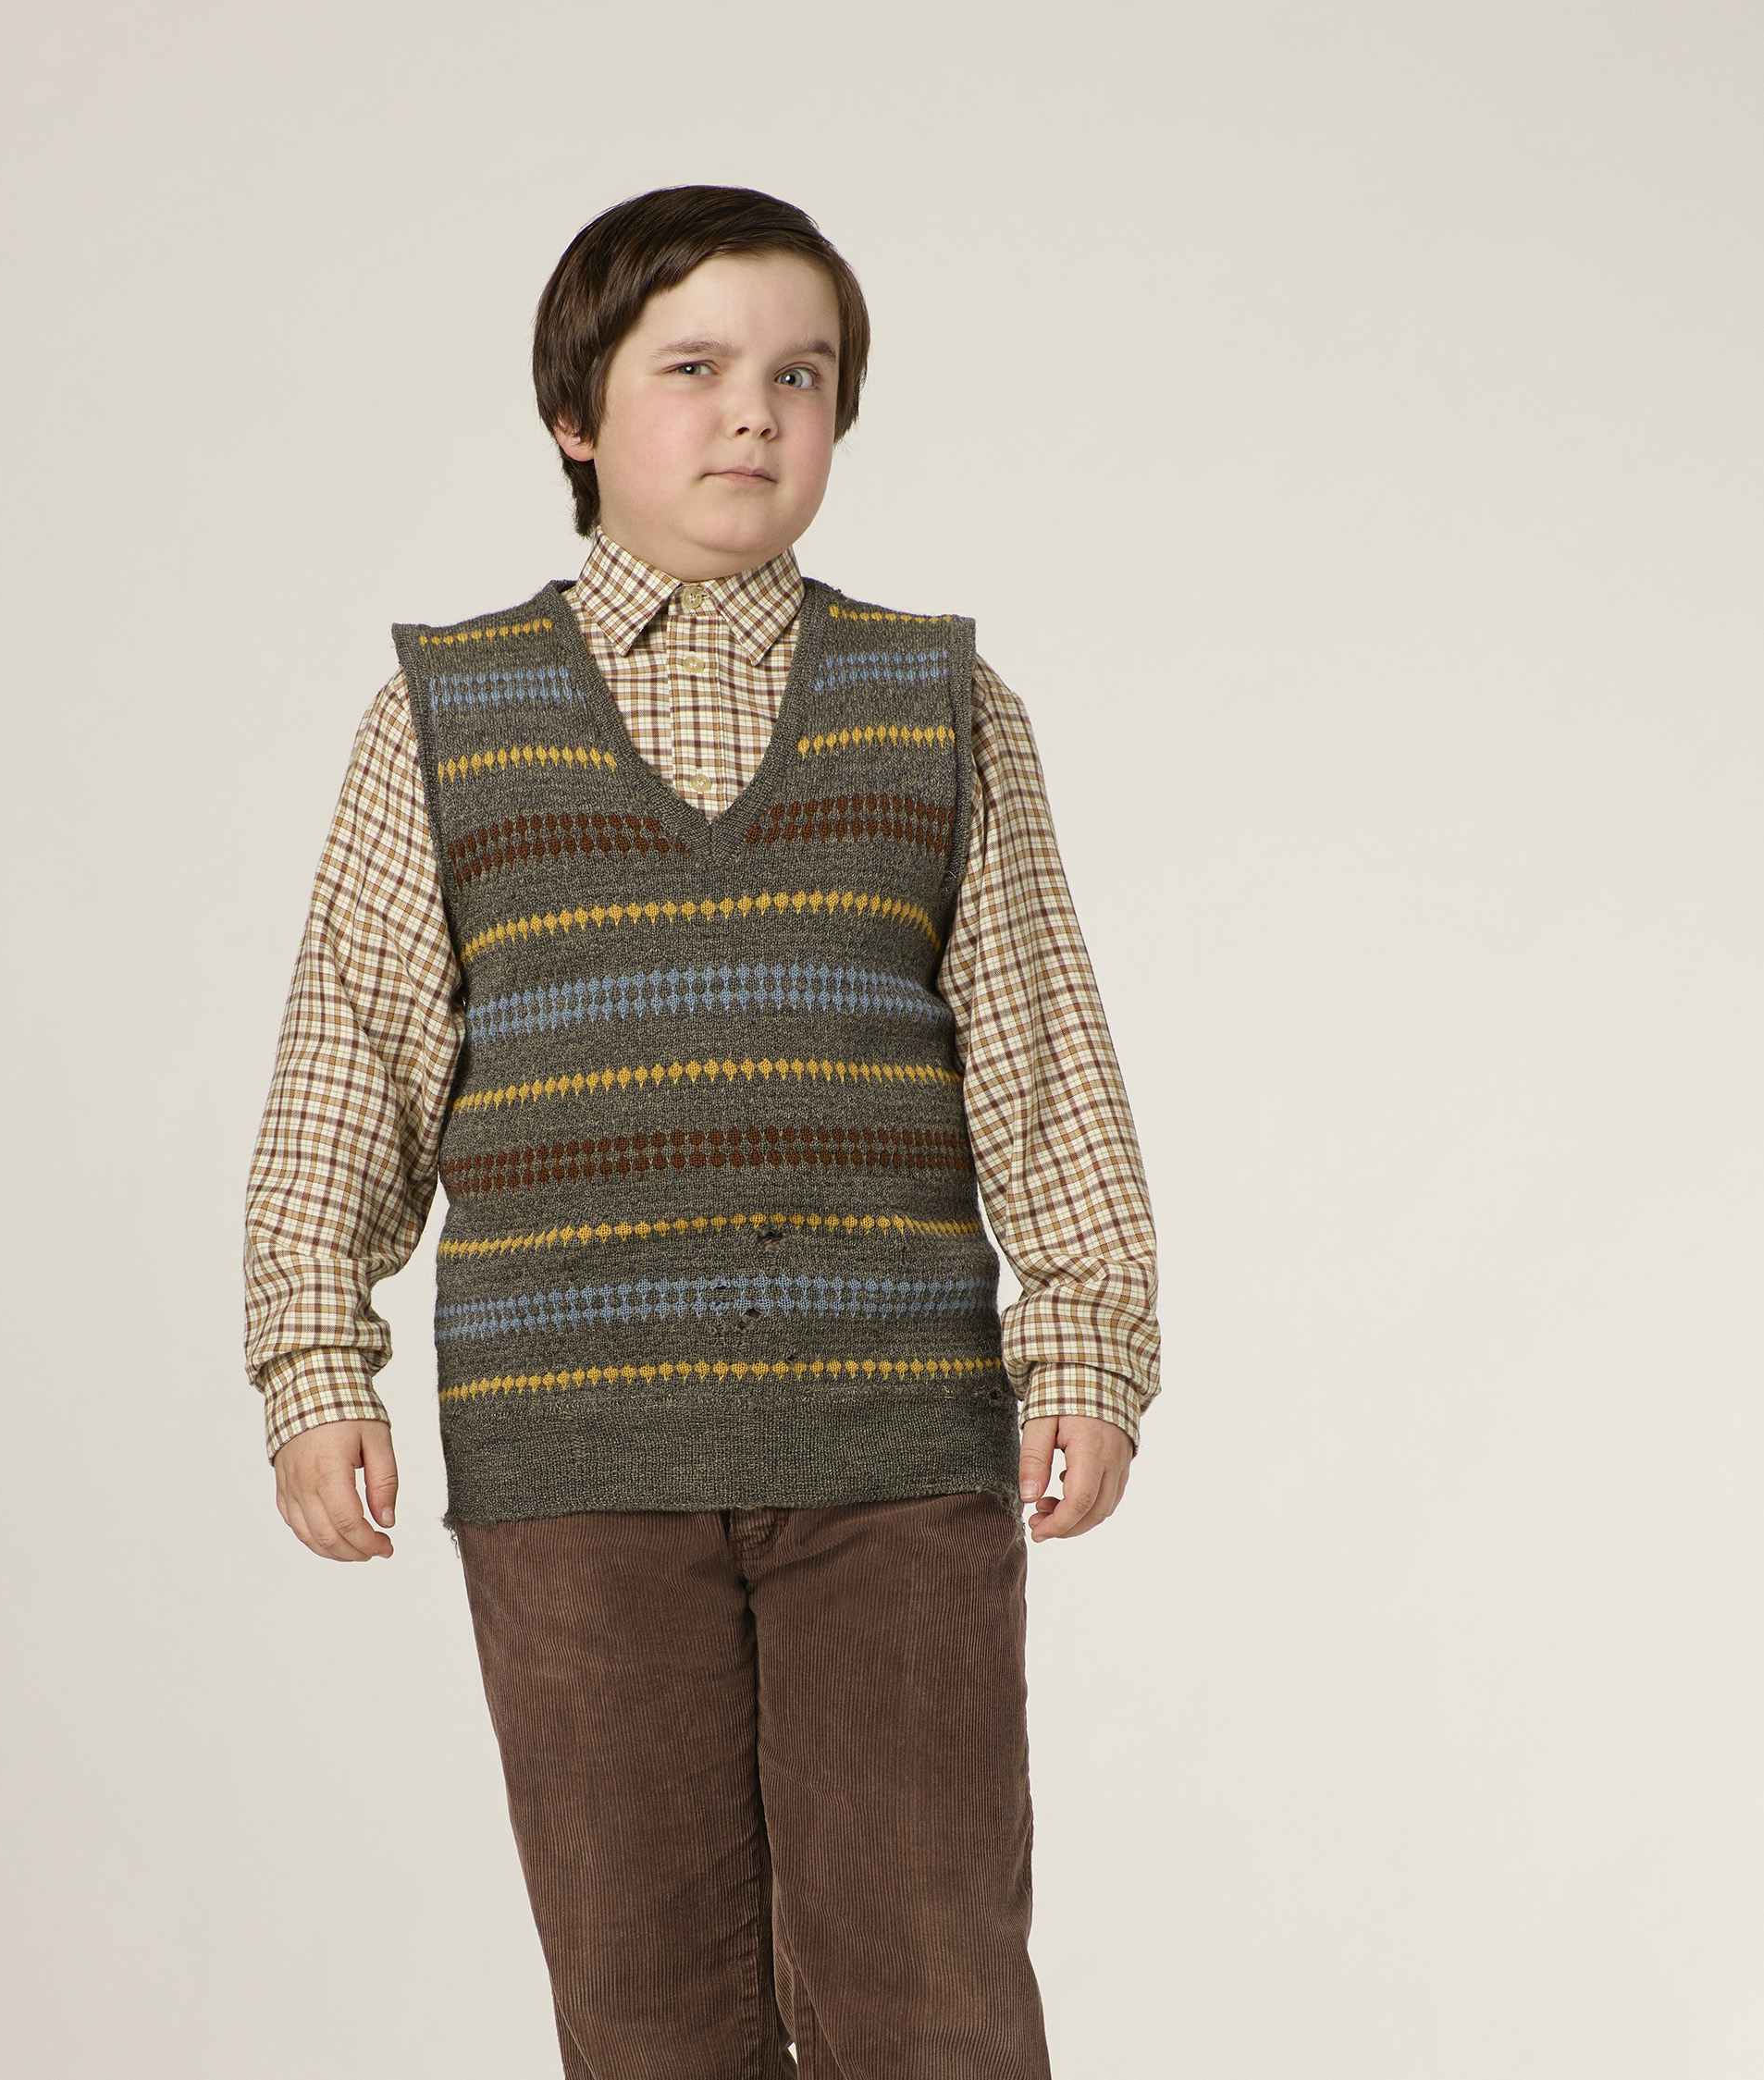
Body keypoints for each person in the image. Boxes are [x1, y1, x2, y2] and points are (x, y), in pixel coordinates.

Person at [243, 184, 1161, 2078]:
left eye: (798, 376)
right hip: (575, 1460)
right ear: (574, 416)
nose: (754, 409)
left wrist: (1088, 1341)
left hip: (891, 1450)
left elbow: (1042, 1054)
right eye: (695, 368)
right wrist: (313, 1359)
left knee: (933, 1990)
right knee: (646, 2004)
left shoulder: (940, 703)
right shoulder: (447, 716)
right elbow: (353, 1063)